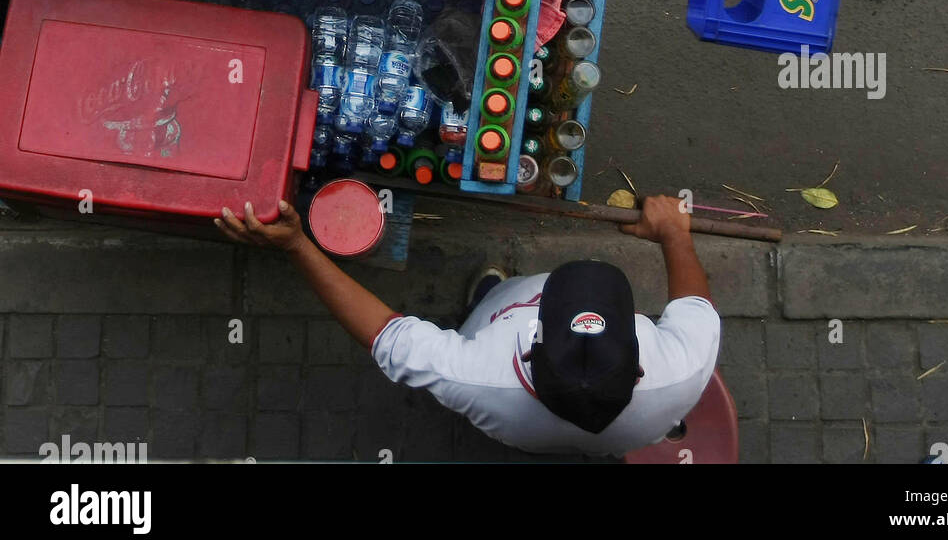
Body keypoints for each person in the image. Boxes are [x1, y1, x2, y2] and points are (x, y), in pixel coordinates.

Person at [215, 193, 720, 457]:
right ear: (636, 364)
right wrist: (675, 233)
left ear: (530, 349)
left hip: (513, 417)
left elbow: (383, 333)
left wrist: (297, 247)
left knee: (489, 304)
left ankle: (489, 299)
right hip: (591, 438)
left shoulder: (477, 373)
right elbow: (695, 304)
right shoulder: (682, 371)